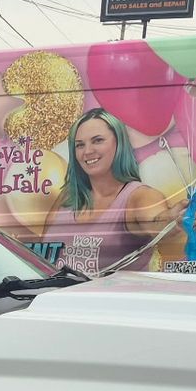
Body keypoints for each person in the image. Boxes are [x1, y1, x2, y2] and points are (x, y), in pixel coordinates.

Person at [45, 108, 173, 274]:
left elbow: (159, 223)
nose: (87, 151)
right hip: (52, 298)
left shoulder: (139, 196)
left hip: (111, 299)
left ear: (119, 143)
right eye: (80, 145)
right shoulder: (68, 197)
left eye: (97, 140)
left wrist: (173, 220)